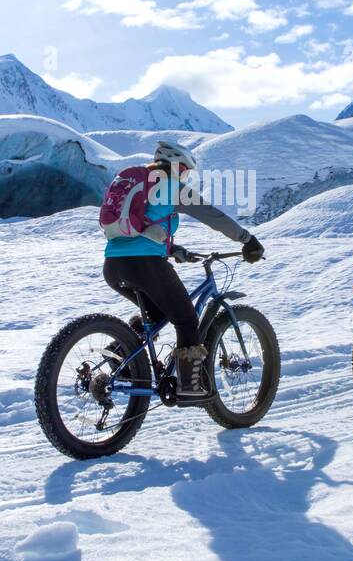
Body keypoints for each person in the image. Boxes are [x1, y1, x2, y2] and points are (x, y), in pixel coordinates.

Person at [103, 140, 264, 403]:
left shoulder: (143, 183)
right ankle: (189, 388)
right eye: (186, 170)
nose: (186, 176)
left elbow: (142, 228)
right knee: (187, 319)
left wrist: (173, 249)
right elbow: (212, 215)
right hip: (145, 266)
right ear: (175, 165)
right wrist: (247, 239)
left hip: (113, 267)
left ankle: (120, 354)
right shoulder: (171, 187)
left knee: (158, 314)